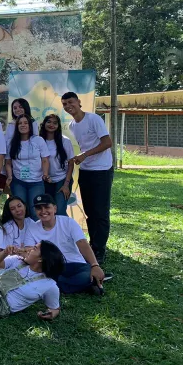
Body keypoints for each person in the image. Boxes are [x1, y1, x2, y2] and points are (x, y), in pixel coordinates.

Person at [62, 92, 114, 264]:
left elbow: (107, 143)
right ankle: (93, 246)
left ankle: (100, 250)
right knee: (90, 211)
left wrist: (85, 154)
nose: (68, 106)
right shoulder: (71, 126)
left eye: (71, 102)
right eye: (65, 104)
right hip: (86, 171)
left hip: (102, 170)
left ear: (79, 102)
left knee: (100, 212)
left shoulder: (94, 119)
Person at [23, 194, 106, 295]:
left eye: (47, 207)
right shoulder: (32, 228)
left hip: (75, 265)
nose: (43, 211)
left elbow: (82, 244)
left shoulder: (69, 222)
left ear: (55, 208)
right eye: (39, 208)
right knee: (44, 275)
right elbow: (29, 251)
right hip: (50, 268)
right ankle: (87, 285)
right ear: (35, 211)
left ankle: (57, 286)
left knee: (85, 275)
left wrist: (94, 265)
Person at [5, 115, 50, 220]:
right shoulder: (11, 143)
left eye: (25, 123)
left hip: (36, 182)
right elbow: (7, 163)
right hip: (18, 182)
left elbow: (45, 160)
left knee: (36, 212)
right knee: (20, 212)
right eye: (20, 123)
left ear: (30, 126)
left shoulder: (38, 140)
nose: (23, 125)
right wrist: (10, 177)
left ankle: (37, 236)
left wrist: (45, 174)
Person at [40, 114, 75, 215]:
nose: (52, 125)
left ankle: (65, 230)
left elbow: (71, 163)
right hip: (44, 181)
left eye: (55, 123)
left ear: (58, 126)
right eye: (49, 122)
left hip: (62, 179)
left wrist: (66, 185)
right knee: (46, 211)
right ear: (44, 124)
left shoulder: (65, 141)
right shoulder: (38, 141)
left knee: (59, 211)